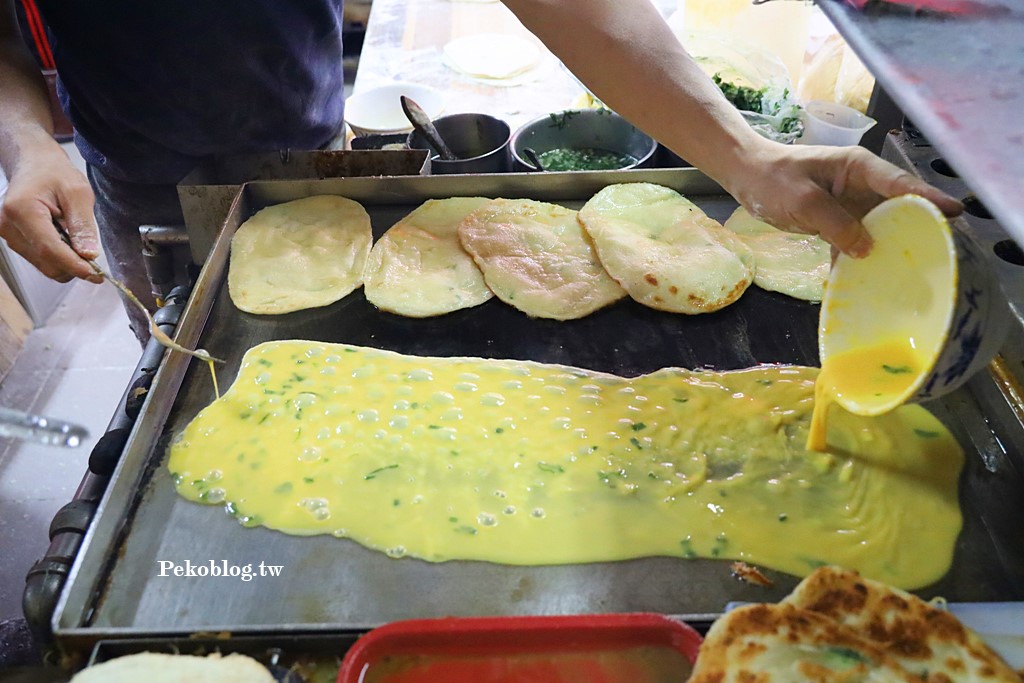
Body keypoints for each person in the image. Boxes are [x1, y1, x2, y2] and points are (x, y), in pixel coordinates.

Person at [0, 0, 961, 343]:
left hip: (299, 135)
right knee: (184, 354)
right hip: (119, 165)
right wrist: (25, 142)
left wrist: (748, 157)